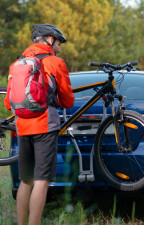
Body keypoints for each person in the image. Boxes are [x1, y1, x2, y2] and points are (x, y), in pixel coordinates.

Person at [4, 24, 74, 225]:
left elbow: (8, 102)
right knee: (42, 181)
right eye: (59, 42)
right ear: (50, 40)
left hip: (22, 127)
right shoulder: (55, 63)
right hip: (45, 126)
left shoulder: (16, 64)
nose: (60, 46)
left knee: (26, 180)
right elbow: (68, 101)